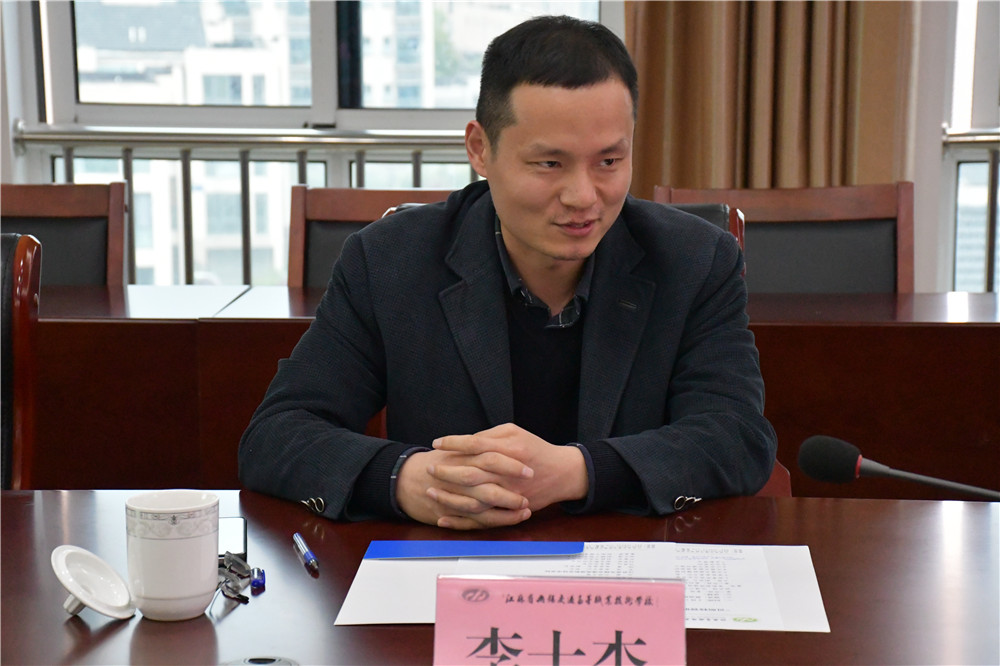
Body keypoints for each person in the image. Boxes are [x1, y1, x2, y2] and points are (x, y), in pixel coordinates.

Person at [238, 15, 777, 530]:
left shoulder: (695, 260)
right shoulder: (389, 261)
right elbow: (277, 434)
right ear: (480, 149)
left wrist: (575, 472)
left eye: (609, 162)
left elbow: (736, 437)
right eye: (550, 164)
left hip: (631, 564)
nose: (583, 196)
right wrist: (406, 479)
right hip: (449, 561)